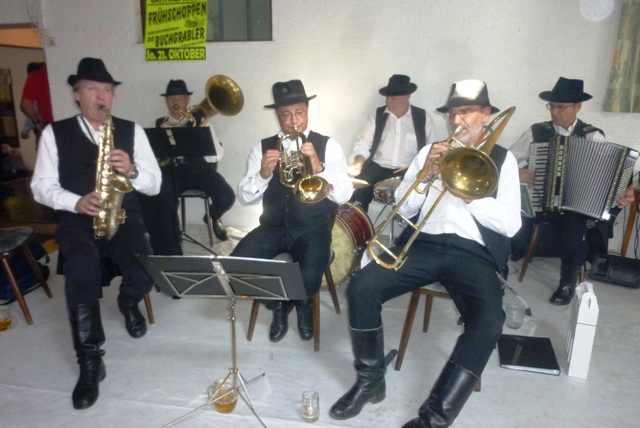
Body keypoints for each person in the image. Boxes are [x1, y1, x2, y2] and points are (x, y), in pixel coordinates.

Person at [329, 79, 521, 427]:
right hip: (424, 244)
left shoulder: (503, 160)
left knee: (490, 322)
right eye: (453, 112)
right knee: (361, 286)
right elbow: (404, 205)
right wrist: (426, 174)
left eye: (466, 111)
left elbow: (510, 225)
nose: (457, 119)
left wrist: (470, 196)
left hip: (472, 252)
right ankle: (370, 381)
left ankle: (433, 419)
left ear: (486, 115)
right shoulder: (430, 150)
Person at [31, 58, 162, 410]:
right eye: (92, 88)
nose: (101, 96)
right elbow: (41, 187)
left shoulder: (131, 131)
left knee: (145, 266)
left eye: (107, 90)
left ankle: (128, 301)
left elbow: (154, 185)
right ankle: (91, 362)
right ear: (77, 94)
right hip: (78, 220)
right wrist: (75, 202)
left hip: (123, 215)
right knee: (79, 264)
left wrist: (132, 170)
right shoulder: (53, 133)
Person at [232, 79, 352, 343]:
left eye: (299, 113)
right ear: (277, 116)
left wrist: (318, 167)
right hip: (273, 228)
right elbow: (245, 198)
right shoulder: (262, 147)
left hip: (312, 230)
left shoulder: (327, 145)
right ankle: (278, 306)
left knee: (308, 277)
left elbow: (344, 195)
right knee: (234, 268)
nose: (293, 121)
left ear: (307, 111)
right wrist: (264, 174)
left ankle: (304, 306)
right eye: (285, 115)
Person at [509, 77, 635, 305]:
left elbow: (612, 172)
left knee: (575, 230)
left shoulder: (592, 135)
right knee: (508, 217)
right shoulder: (536, 132)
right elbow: (507, 160)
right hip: (539, 200)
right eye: (552, 106)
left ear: (578, 107)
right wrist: (517, 172)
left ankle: (567, 283)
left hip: (573, 207)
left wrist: (628, 187)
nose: (555, 112)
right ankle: (499, 268)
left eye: (561, 107)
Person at [139, 79, 236, 255]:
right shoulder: (160, 122)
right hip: (172, 170)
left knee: (227, 196)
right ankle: (171, 238)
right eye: (170, 99)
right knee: (164, 202)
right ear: (166, 101)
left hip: (199, 169)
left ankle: (212, 217)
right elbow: (151, 156)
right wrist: (161, 136)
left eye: (179, 98)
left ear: (187, 101)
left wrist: (198, 143)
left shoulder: (202, 121)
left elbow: (218, 152)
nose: (175, 103)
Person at [348, 74, 437, 211]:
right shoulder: (376, 116)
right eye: (387, 97)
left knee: (421, 199)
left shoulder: (423, 118)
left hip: (408, 171)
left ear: (407, 96)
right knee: (356, 196)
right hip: (377, 168)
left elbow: (432, 150)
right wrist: (358, 161)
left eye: (393, 98)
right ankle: (358, 230)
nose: (388, 101)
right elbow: (363, 143)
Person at [20, 61, 53, 142]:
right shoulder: (56, 71)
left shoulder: (35, 76)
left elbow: (25, 105)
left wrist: (37, 122)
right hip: (66, 121)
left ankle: (25, 131)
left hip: (45, 123)